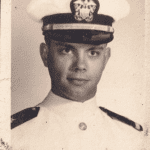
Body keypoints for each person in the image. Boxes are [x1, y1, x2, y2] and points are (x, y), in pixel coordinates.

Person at [11, 0, 144, 149]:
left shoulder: (133, 138)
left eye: (93, 53)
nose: (80, 65)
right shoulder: (12, 137)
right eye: (66, 50)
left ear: (105, 58)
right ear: (45, 54)